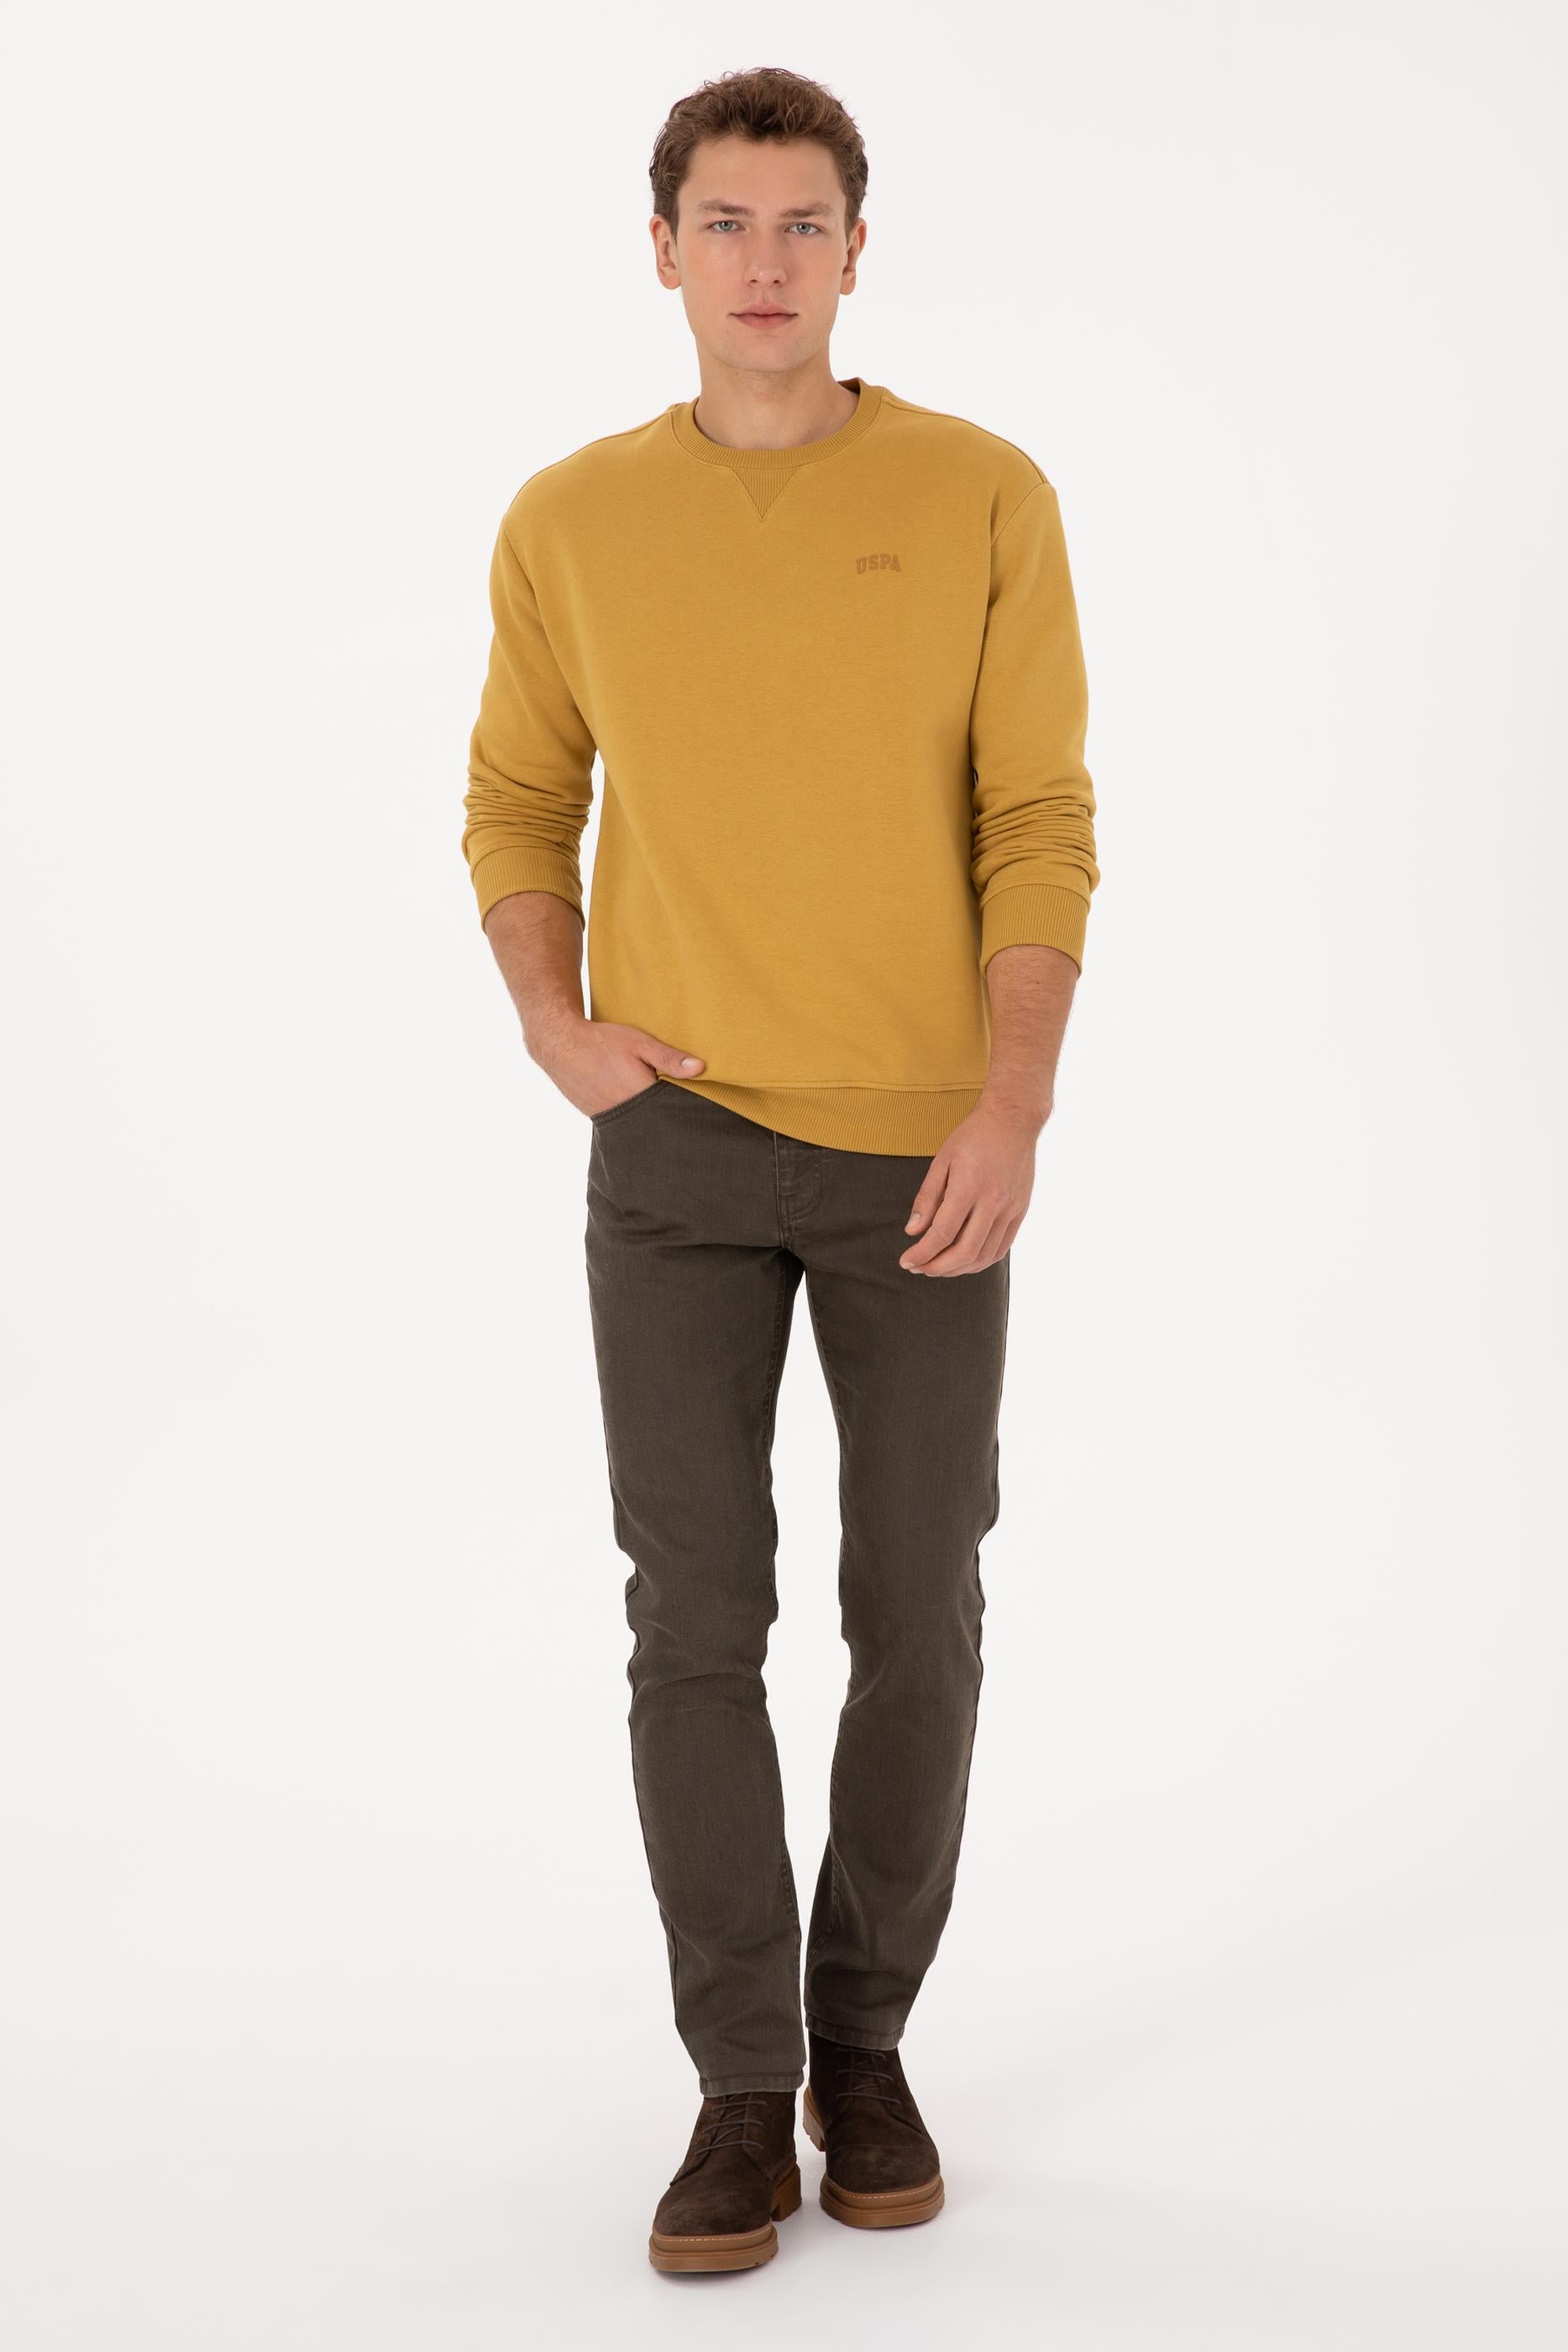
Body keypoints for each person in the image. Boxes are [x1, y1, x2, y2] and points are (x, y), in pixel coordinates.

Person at [460, 66, 1099, 2275]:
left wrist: (1011, 1103)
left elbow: (1038, 816)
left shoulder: (982, 491)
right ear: (662, 250)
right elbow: (516, 797)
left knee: (916, 1607)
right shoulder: (569, 518)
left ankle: (864, 2042)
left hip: (926, 1149)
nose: (763, 262)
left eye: (801, 222)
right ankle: (741, 2087)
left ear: (855, 250)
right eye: (723, 223)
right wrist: (559, 1029)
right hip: (676, 1151)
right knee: (693, 1622)